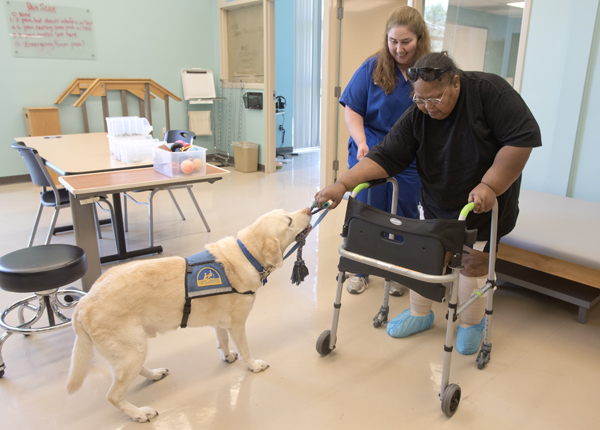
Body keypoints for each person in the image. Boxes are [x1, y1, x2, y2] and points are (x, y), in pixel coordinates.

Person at [315, 52, 542, 355]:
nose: (426, 108)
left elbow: (521, 139)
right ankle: (421, 313)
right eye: (419, 100)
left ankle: (471, 322)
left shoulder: (491, 92)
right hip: (438, 197)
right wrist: (342, 184)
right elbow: (386, 156)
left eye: (433, 100)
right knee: (425, 255)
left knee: (471, 264)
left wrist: (491, 185)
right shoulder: (419, 112)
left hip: (483, 201)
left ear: (455, 84)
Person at [340, 6, 431, 295]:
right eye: (393, 41)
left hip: (409, 155)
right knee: (368, 210)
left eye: (406, 42)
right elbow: (352, 110)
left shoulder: (428, 72)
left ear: (420, 39)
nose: (399, 49)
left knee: (404, 214)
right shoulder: (373, 68)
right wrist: (361, 140)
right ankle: (360, 270)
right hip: (372, 149)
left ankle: (399, 271)